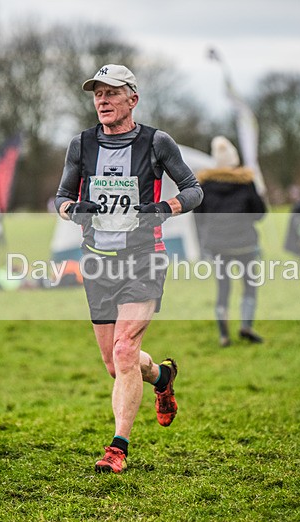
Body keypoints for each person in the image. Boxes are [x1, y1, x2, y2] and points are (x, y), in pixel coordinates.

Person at [54, 64, 203, 473]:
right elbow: (62, 197)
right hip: (98, 262)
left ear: (132, 99)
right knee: (114, 362)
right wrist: (73, 210)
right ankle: (162, 379)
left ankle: (117, 448)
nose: (102, 100)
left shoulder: (157, 142)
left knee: (124, 350)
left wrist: (163, 208)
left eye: (111, 93)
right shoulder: (81, 145)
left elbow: (193, 190)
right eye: (97, 94)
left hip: (144, 259)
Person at [194, 135, 267, 347]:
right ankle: (246, 325)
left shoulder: (205, 185)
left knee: (223, 288)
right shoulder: (246, 182)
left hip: (217, 244)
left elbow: (199, 215)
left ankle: (224, 335)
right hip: (245, 242)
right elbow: (260, 213)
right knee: (249, 285)